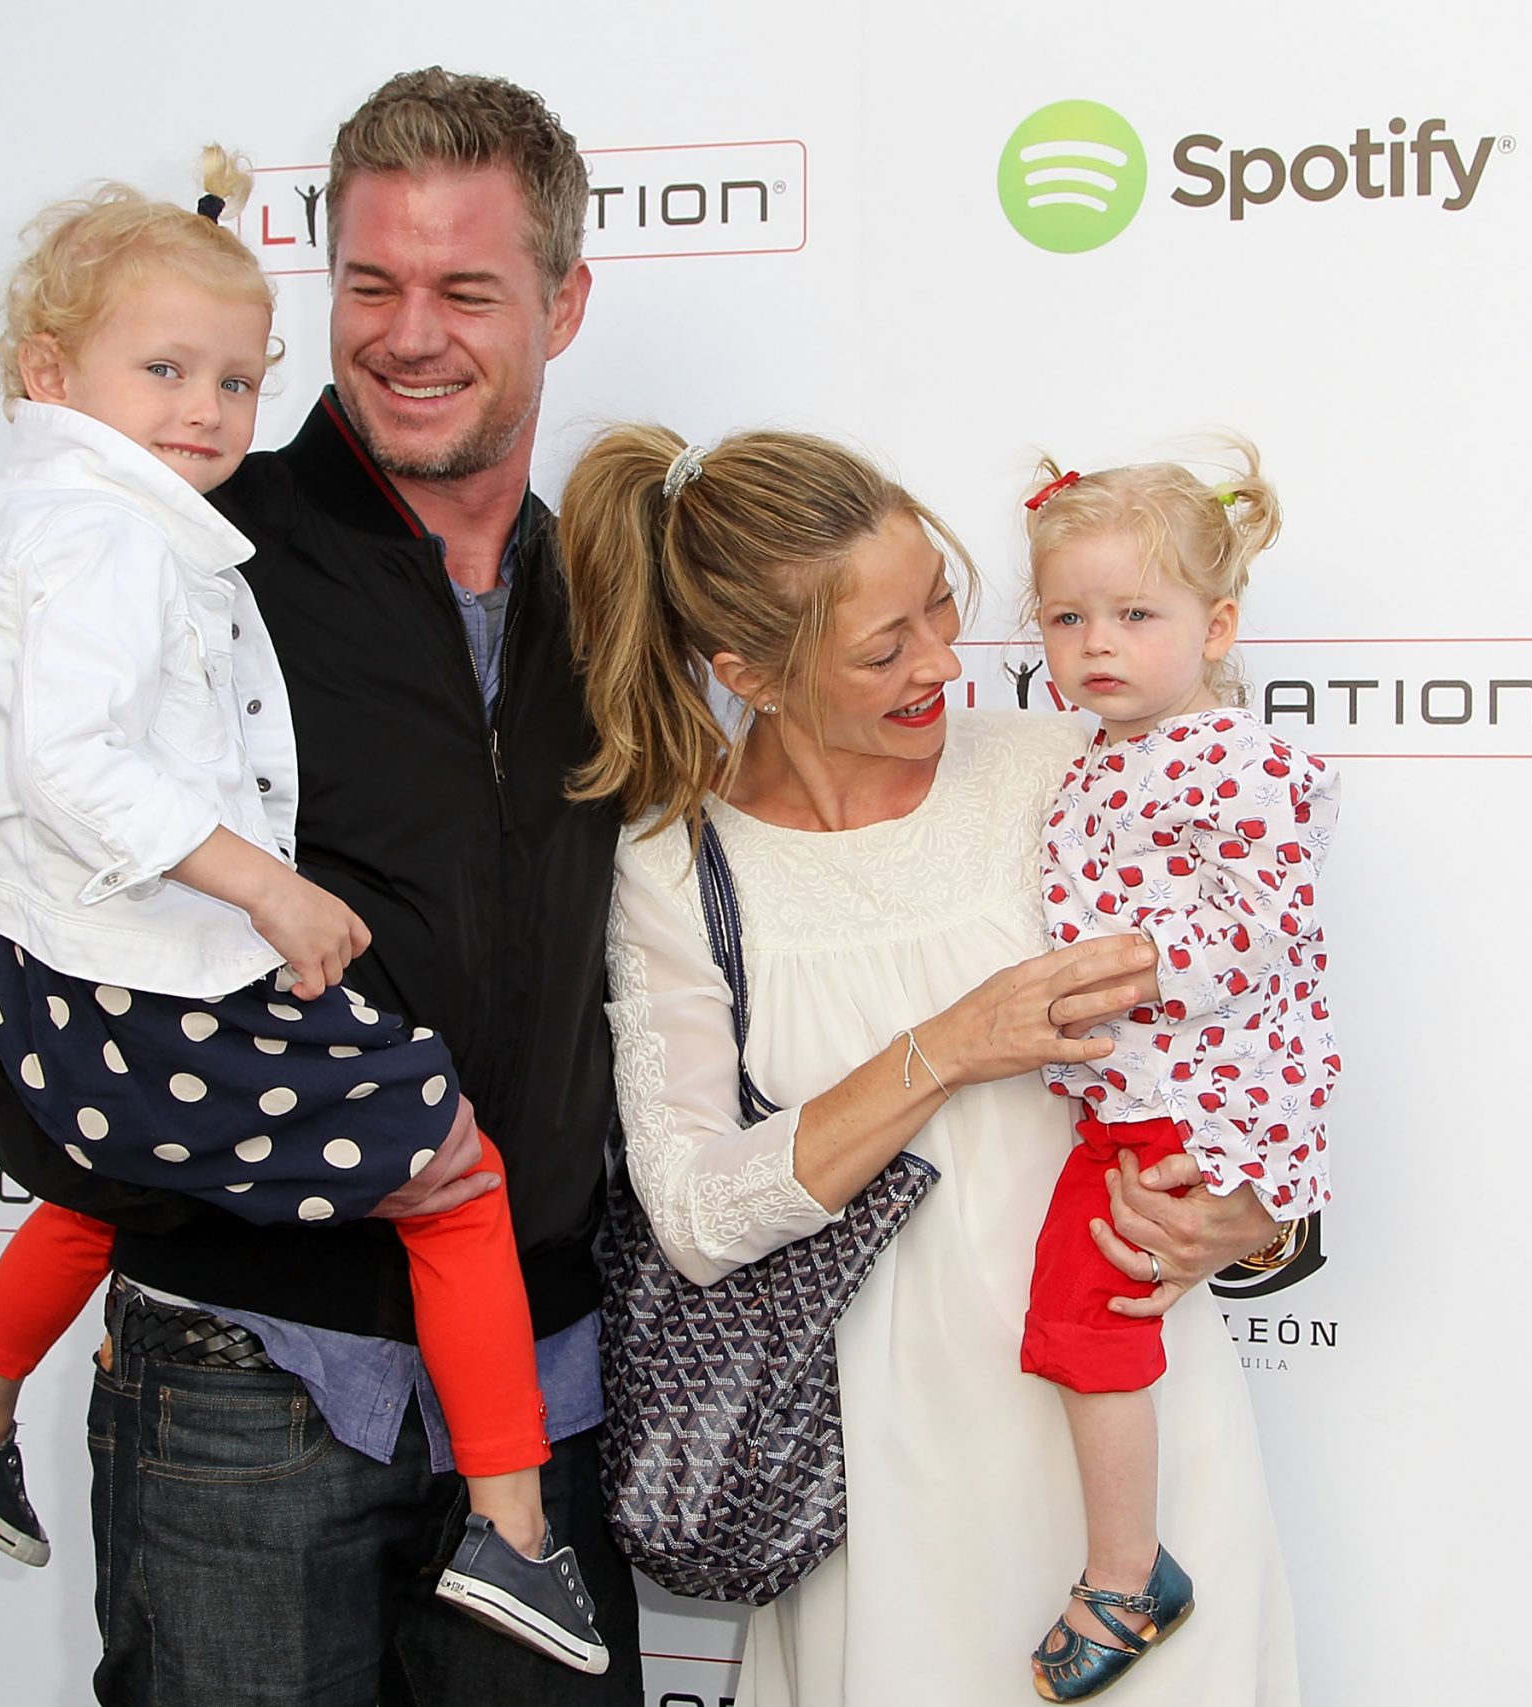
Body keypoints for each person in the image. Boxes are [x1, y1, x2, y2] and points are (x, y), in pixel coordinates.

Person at [0, 68, 642, 1706]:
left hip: (538, 1378)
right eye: (372, 285)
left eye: (466, 290)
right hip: (239, 1381)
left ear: (564, 302)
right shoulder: (179, 552)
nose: (410, 333)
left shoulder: (607, 597)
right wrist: (155, 1161)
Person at [557, 424, 1302, 1706]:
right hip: (883, 1476)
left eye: (941, 606)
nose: (944, 664)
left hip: (1132, 1454)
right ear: (755, 672)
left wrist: (1255, 1216)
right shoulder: (680, 866)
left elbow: (1246, 1023)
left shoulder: (1064, 767)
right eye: (883, 648)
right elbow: (690, 1214)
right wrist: (945, 1050)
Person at [1015, 447, 1338, 1700]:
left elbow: (1268, 920)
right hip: (1131, 1102)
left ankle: (1124, 1574)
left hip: (1198, 1111)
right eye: (1066, 616)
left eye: (1134, 615)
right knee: (1074, 1330)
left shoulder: (1232, 758)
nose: (1097, 643)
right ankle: (1123, 1562)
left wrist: (1137, 963)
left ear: (1217, 629)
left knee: (1084, 1329)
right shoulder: (1095, 753)